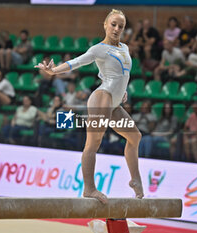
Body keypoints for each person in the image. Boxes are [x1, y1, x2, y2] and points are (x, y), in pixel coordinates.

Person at [35, 9, 144, 203]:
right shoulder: (99, 49)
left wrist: (122, 91)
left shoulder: (125, 48)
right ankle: (89, 189)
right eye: (113, 24)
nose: (117, 28)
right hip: (103, 97)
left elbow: (121, 74)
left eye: (121, 26)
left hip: (115, 102)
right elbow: (76, 62)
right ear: (105, 24)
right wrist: (53, 71)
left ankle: (135, 179)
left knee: (135, 137)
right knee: (93, 143)